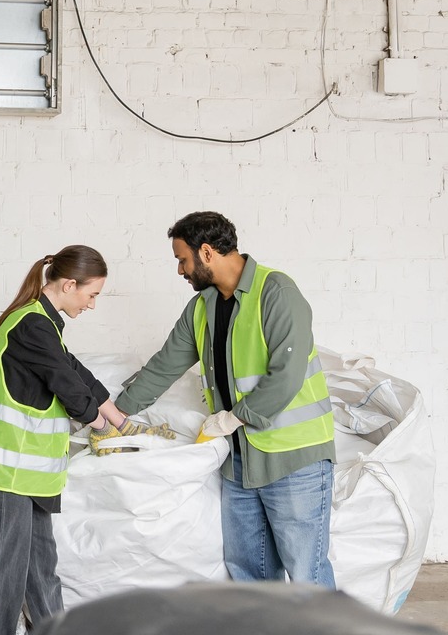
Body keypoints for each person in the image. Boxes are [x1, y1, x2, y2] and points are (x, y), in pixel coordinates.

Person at [116, 210, 337, 588]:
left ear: (205, 253)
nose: (181, 270)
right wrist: (114, 413)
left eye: (182, 259)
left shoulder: (276, 292)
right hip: (238, 465)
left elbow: (286, 377)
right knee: (248, 577)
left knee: (307, 580)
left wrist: (235, 418)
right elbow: (164, 366)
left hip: (293, 461)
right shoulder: (202, 308)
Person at [0, 246, 128, 635]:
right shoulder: (30, 326)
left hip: (33, 477)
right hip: (7, 475)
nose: (91, 306)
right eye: (90, 296)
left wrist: (119, 417)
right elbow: (65, 385)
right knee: (4, 577)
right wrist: (97, 423)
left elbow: (74, 370)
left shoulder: (46, 327)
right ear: (68, 284)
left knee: (41, 570)